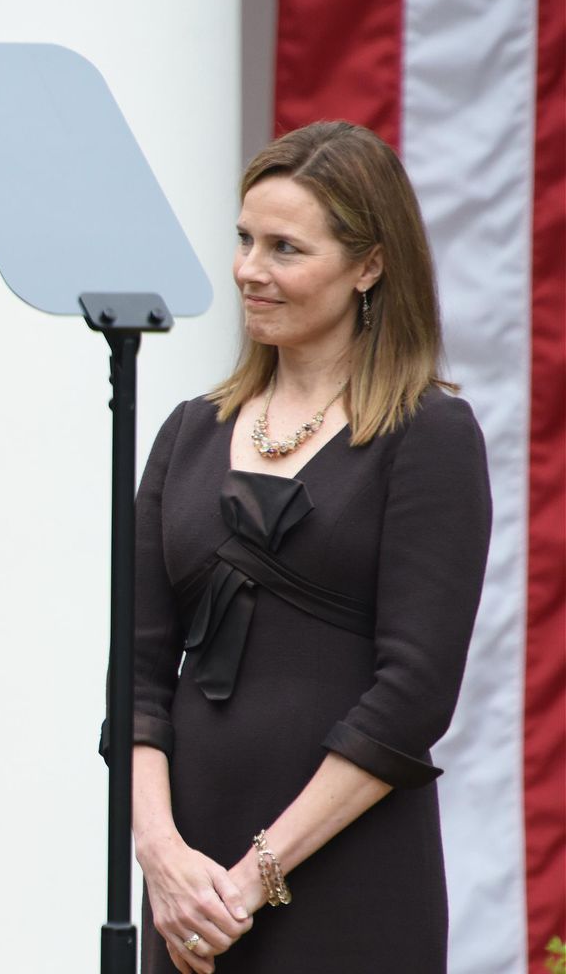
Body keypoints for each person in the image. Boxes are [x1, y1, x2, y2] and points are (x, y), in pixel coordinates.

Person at [116, 121, 490, 973]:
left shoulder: (428, 435)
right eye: (245, 240)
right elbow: (134, 677)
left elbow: (414, 697)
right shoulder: (187, 433)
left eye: (286, 248)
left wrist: (255, 879)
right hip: (187, 890)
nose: (250, 269)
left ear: (370, 264)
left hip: (344, 875)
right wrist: (163, 859)